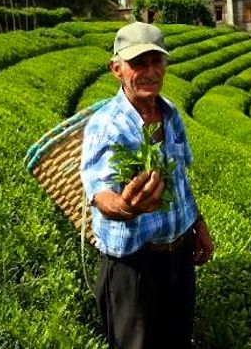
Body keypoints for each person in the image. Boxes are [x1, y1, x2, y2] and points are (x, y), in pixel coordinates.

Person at [80, 21, 214, 349]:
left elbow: (180, 177)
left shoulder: (169, 114)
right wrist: (127, 207)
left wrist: (198, 223)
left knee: (177, 340)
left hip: (177, 256)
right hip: (133, 265)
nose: (150, 71)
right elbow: (100, 194)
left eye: (157, 61)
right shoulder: (107, 125)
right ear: (117, 69)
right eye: (138, 63)